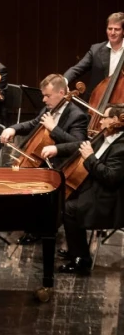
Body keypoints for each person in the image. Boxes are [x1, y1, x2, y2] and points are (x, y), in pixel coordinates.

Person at [40, 104, 124, 275]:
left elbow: (111, 178)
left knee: (69, 209)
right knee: (61, 197)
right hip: (94, 187)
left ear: (114, 120)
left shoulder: (121, 147)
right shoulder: (106, 135)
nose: (100, 121)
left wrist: (90, 157)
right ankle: (73, 247)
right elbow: (82, 144)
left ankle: (81, 259)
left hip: (109, 199)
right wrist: (56, 149)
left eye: (104, 117)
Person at [0, 74, 89, 167]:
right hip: (40, 161)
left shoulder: (77, 116)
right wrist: (13, 129)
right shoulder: (49, 108)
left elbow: (79, 144)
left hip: (58, 165)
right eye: (43, 95)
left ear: (61, 93)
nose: (44, 100)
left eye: (48, 96)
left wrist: (53, 128)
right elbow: (33, 124)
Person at [63, 12, 124, 99]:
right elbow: (77, 69)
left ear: (123, 31)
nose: (112, 32)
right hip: (96, 100)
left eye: (117, 29)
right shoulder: (96, 50)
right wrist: (63, 82)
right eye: (110, 29)